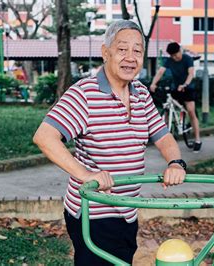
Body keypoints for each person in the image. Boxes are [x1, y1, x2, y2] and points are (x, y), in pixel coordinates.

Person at [33, 20, 187, 265]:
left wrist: (176, 163)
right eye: (122, 49)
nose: (130, 57)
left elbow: (163, 136)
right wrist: (85, 174)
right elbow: (44, 137)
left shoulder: (141, 94)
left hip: (126, 211)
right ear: (106, 52)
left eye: (137, 50)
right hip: (94, 213)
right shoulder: (84, 93)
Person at [149, 42, 202, 153]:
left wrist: (185, 85)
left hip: (188, 88)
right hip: (176, 88)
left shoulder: (187, 59)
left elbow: (191, 73)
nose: (175, 57)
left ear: (180, 50)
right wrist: (153, 83)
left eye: (176, 54)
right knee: (168, 108)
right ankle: (167, 134)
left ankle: (197, 140)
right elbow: (160, 72)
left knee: (191, 111)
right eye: (172, 55)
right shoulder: (169, 61)